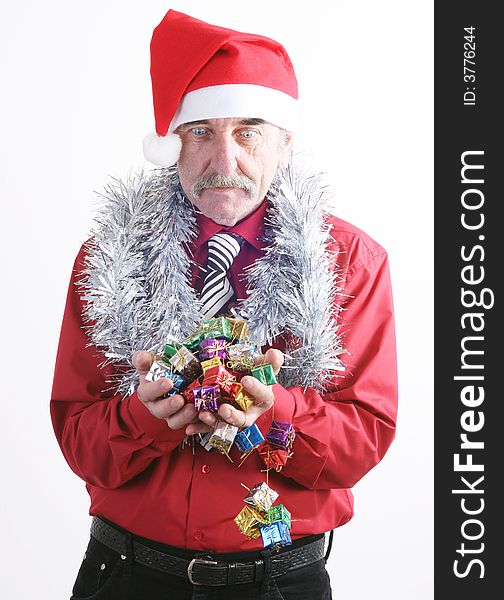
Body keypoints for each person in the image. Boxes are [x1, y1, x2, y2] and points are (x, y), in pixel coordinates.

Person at [51, 8, 398, 600]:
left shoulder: (350, 262)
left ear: (285, 143)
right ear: (171, 144)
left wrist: (273, 415)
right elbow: (78, 434)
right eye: (201, 131)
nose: (224, 162)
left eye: (249, 131)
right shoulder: (108, 257)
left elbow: (366, 434)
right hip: (129, 575)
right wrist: (143, 417)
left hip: (280, 583)